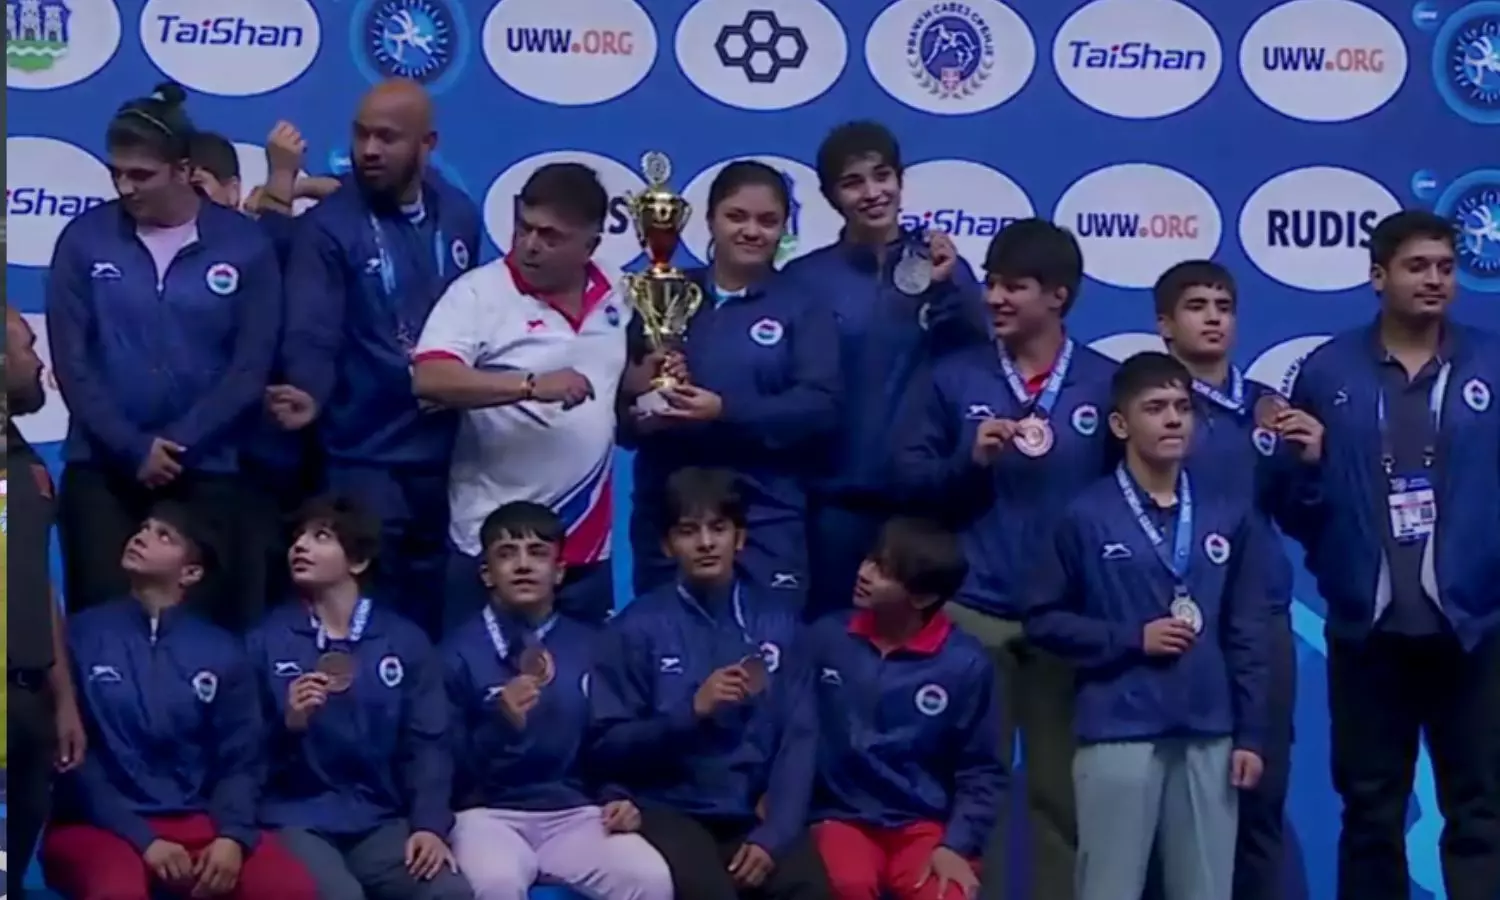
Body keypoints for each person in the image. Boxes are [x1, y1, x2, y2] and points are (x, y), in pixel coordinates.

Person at [895, 219, 1114, 900]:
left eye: (1013, 286)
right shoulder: (954, 377)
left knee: (1061, 796)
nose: (993, 297)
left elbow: (1128, 501)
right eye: (990, 283)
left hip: (1065, 620)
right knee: (966, 794)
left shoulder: (1104, 384)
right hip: (973, 611)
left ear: (1058, 296)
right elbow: (909, 483)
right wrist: (969, 461)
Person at [1286, 210, 1500, 900]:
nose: (1434, 279)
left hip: (1474, 629)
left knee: (1480, 808)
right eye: (1416, 266)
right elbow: (1297, 501)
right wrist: (1338, 563)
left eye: (1445, 267)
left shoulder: (1492, 363)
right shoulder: (1328, 370)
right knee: (1371, 814)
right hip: (1369, 632)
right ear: (1378, 276)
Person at [1022, 352, 1270, 900]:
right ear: (1120, 424)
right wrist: (1131, 639)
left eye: (1182, 406)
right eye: (1155, 408)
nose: (1173, 419)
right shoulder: (1085, 515)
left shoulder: (1226, 513)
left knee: (1206, 891)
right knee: (1109, 889)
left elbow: (1246, 631)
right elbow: (1042, 619)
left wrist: (1251, 734)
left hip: (1209, 729)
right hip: (1118, 726)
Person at [47, 82, 281, 631]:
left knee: (208, 636)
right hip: (103, 470)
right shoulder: (84, 240)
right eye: (117, 173)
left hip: (209, 469)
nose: (124, 187)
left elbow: (250, 366)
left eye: (141, 174)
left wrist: (178, 445)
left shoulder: (244, 245)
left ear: (184, 170)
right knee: (103, 632)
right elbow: (73, 363)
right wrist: (133, 447)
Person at [275, 77, 482, 638]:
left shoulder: (459, 214)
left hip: (445, 457)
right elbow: (312, 331)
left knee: (434, 618)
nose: (368, 150)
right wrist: (308, 389)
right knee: (365, 619)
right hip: (363, 456)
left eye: (387, 138)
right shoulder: (328, 227)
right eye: (361, 135)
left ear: (427, 144)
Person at [1153, 259, 1325, 900]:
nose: (1213, 319)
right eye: (1196, 306)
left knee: (1261, 790)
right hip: (1171, 616)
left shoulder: (1266, 410)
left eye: (1223, 307)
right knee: (1165, 798)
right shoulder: (1148, 405)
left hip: (1258, 618)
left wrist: (1309, 463)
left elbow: (1300, 515)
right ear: (1165, 324)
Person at [39, 505, 317, 900]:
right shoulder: (81, 635)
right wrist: (143, 839)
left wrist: (232, 837)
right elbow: (74, 760)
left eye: (163, 536)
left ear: (191, 573)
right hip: (98, 824)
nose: (141, 537)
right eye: (143, 527)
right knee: (117, 891)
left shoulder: (222, 651)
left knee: (289, 888)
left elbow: (241, 761)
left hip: (196, 820)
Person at [590, 467, 830, 900]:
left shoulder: (779, 624)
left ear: (740, 538)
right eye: (688, 531)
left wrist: (775, 833)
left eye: (718, 528)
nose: (705, 543)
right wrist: (690, 713)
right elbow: (607, 748)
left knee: (808, 888)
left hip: (751, 812)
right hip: (669, 808)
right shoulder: (634, 629)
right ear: (667, 545)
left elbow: (800, 738)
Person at [781, 120, 989, 618]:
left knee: (918, 650)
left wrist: (952, 287)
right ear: (831, 197)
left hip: (923, 506)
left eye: (882, 176)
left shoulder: (943, 267)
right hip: (835, 504)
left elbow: (980, 361)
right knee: (833, 641)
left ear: (900, 179)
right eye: (853, 182)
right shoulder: (805, 280)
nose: (872, 193)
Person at [412, 161, 624, 627]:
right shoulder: (479, 293)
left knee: (586, 672)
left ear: (590, 245)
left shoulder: (617, 292)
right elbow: (430, 378)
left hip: (584, 543)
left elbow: (618, 382)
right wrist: (529, 386)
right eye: (524, 227)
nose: (529, 244)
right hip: (494, 545)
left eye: (550, 236)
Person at [622, 160, 842, 601]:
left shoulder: (804, 307)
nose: (751, 231)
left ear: (784, 229)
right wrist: (642, 410)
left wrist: (724, 411)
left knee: (766, 642)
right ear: (710, 220)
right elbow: (621, 420)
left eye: (767, 220)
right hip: (670, 515)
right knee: (665, 640)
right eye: (736, 216)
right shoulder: (663, 292)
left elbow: (821, 408)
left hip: (765, 516)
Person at [442, 501, 673, 900]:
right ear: (486, 573)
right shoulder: (455, 653)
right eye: (507, 554)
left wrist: (618, 795)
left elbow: (607, 743)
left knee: (648, 878)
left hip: (573, 814)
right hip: (486, 817)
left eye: (537, 553)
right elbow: (445, 765)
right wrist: (500, 722)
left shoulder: (594, 646)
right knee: (495, 884)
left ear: (560, 571)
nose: (523, 565)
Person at [247, 495, 471, 900]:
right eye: (297, 537)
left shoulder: (405, 641)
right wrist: (288, 724)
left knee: (449, 892)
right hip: (295, 819)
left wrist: (428, 826)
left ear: (358, 561)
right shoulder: (265, 641)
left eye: (321, 537)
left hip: (379, 821)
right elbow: (239, 754)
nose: (300, 546)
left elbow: (428, 745)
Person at [804, 517, 1005, 900]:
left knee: (947, 893)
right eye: (869, 560)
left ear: (922, 598)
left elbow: (981, 770)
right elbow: (789, 732)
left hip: (923, 825)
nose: (864, 573)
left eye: (883, 571)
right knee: (847, 884)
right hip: (840, 815)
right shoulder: (826, 638)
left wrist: (956, 844)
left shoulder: (966, 664)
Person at [4, 307, 87, 900]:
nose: (40, 364)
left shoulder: (30, 463)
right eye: (28, 348)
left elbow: (39, 584)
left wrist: (63, 700)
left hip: (28, 700)